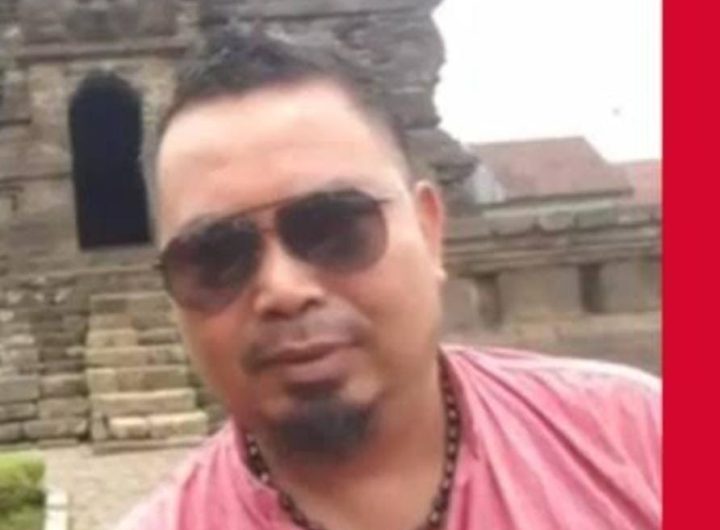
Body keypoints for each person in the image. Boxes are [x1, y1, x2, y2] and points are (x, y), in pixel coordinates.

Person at [116, 30, 661, 530]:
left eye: (333, 228)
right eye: (215, 257)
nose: (283, 289)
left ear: (429, 229)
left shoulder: (638, 442)